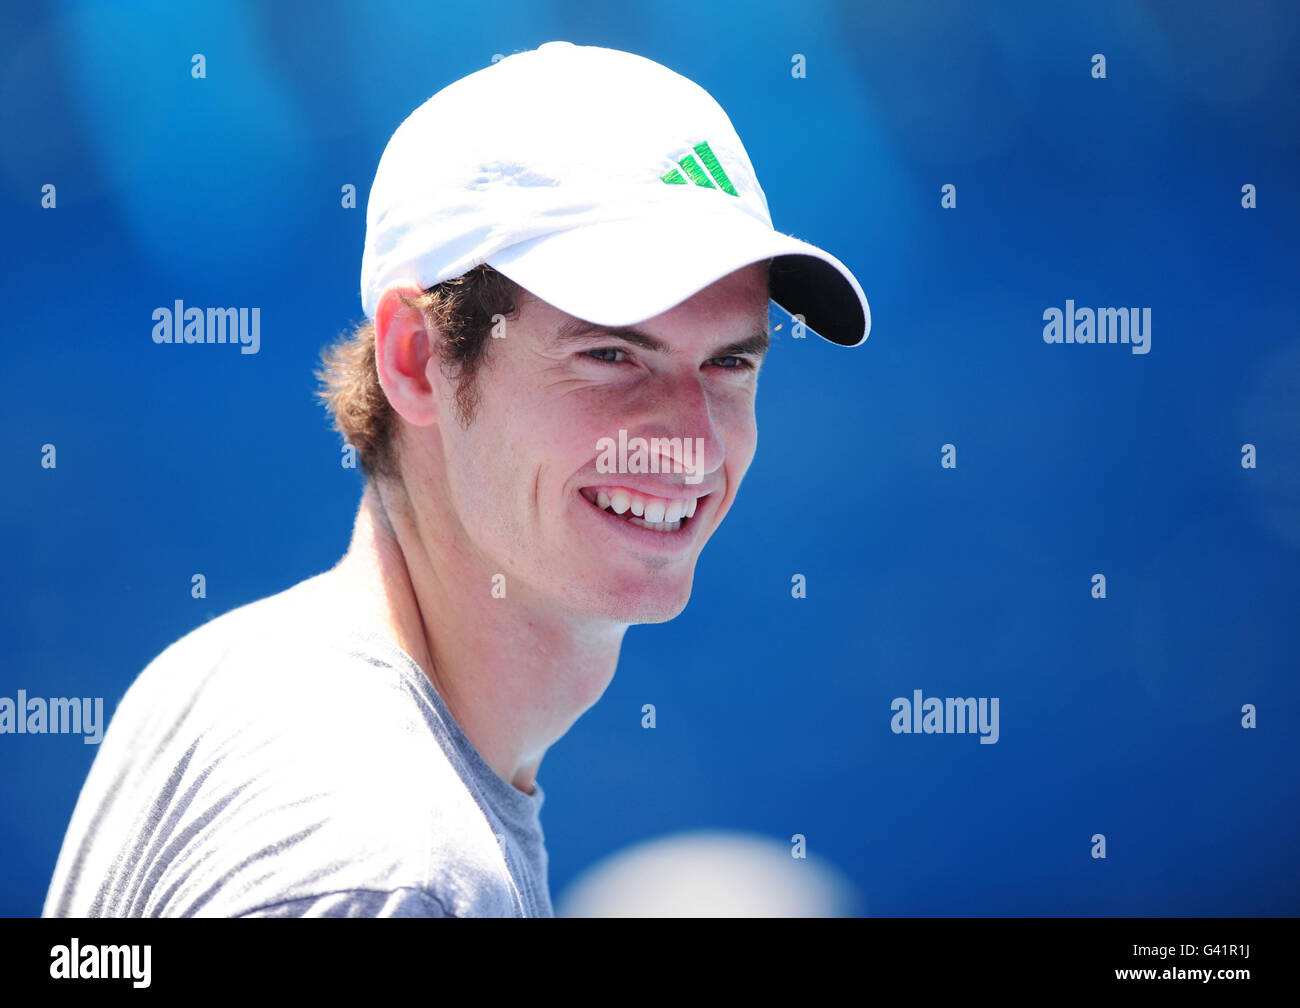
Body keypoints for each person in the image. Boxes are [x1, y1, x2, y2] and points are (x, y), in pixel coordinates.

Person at [42, 40, 871, 918]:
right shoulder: (394, 871)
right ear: (415, 357)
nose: (690, 442)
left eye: (730, 364)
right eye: (610, 353)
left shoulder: (228, 675)